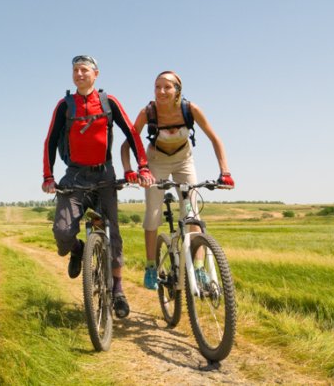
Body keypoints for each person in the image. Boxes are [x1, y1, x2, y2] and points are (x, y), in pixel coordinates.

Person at [43, 55, 154, 318]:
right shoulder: (64, 105)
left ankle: (117, 290)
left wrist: (143, 167)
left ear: (96, 74)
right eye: (75, 70)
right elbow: (49, 141)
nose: (79, 74)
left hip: (104, 174)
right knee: (62, 232)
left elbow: (132, 133)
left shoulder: (109, 102)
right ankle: (79, 250)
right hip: (74, 177)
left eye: (84, 70)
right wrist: (48, 177)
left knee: (113, 234)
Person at [120, 70, 234, 290]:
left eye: (167, 87)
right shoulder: (148, 112)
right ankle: (151, 266)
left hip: (184, 161)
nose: (161, 91)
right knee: (153, 214)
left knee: (192, 215)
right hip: (156, 162)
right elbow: (127, 145)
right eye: (157, 87)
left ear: (177, 91)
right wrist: (131, 171)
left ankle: (199, 268)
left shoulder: (190, 110)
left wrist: (225, 171)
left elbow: (215, 139)